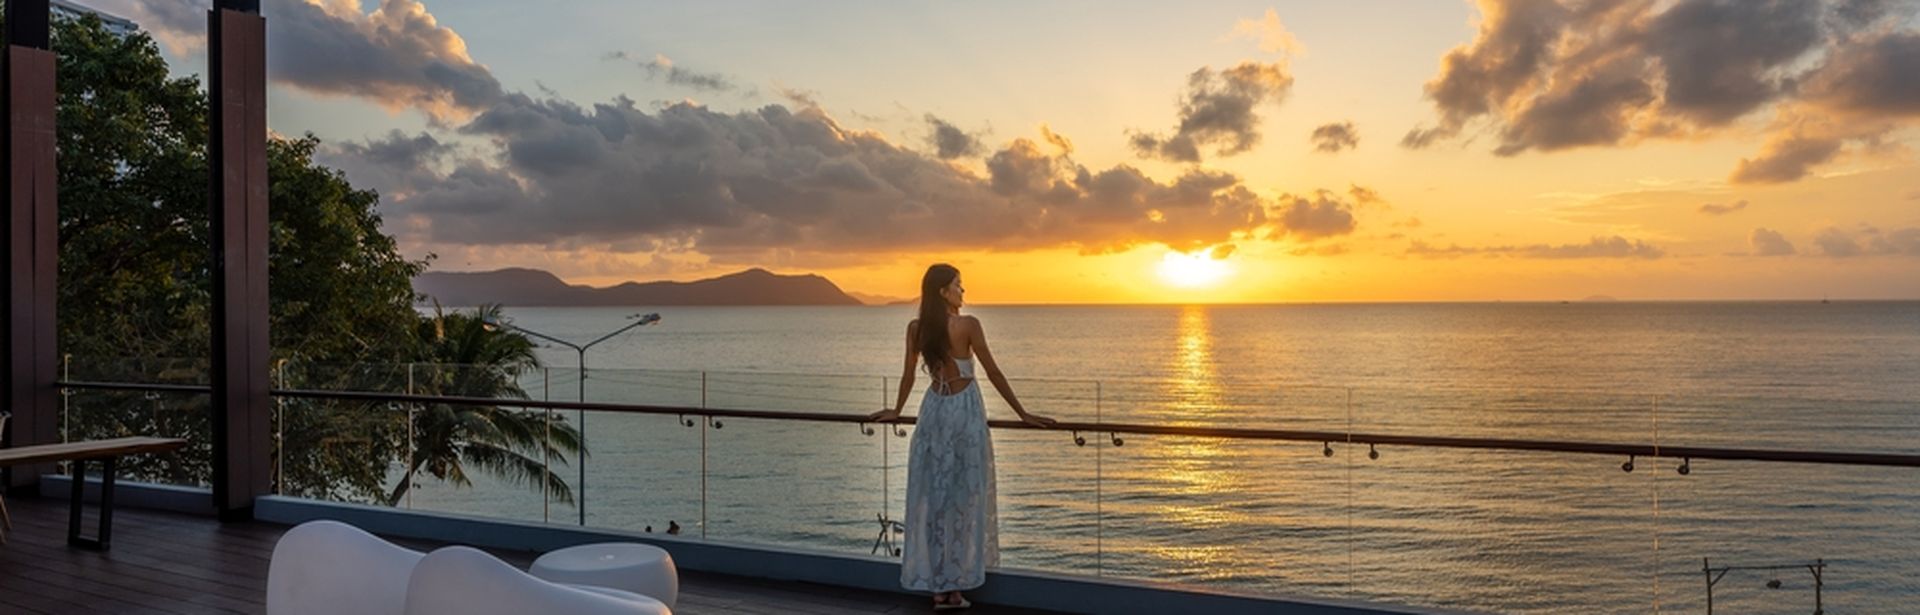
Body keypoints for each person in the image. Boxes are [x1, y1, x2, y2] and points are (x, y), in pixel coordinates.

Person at [868, 264, 1055, 610]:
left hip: (933, 411)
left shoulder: (917, 328)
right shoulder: (969, 325)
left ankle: (938, 586)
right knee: (965, 496)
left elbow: (908, 375)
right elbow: (993, 370)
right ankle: (956, 587)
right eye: (958, 286)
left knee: (934, 495)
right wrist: (1023, 414)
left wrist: (896, 409)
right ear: (943, 291)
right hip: (964, 411)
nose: (963, 292)